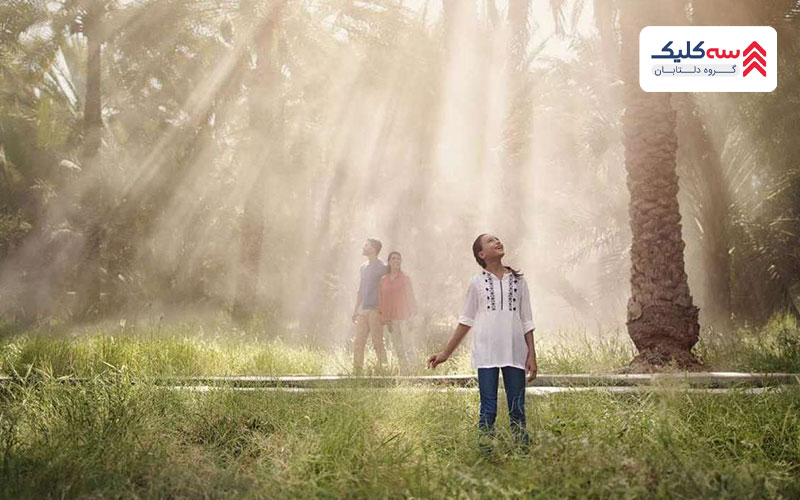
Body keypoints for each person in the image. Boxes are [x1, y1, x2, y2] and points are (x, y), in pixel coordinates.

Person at [428, 233, 537, 451]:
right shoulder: (477, 283)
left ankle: (523, 452)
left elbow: (527, 320)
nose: (497, 242)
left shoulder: (518, 280)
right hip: (486, 353)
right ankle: (485, 452)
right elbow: (465, 321)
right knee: (488, 408)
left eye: (498, 239)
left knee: (517, 407)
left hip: (515, 351)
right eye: (490, 241)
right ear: (481, 254)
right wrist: (445, 354)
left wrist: (531, 354)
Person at [352, 238, 389, 374]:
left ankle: (384, 370)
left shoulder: (383, 267)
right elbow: (360, 289)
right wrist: (356, 309)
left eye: (366, 245)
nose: (363, 247)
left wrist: (385, 311)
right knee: (358, 343)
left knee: (377, 342)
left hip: (376, 310)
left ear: (373, 248)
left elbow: (387, 290)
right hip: (363, 310)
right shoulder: (363, 267)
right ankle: (357, 372)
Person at [378, 251, 418, 370]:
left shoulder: (405, 279)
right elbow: (382, 300)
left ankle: (415, 371)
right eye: (393, 258)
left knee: (408, 346)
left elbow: (411, 297)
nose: (396, 261)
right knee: (397, 348)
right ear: (389, 262)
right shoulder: (383, 280)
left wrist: (412, 316)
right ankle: (405, 372)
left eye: (398, 259)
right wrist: (385, 319)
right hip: (391, 319)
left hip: (405, 318)